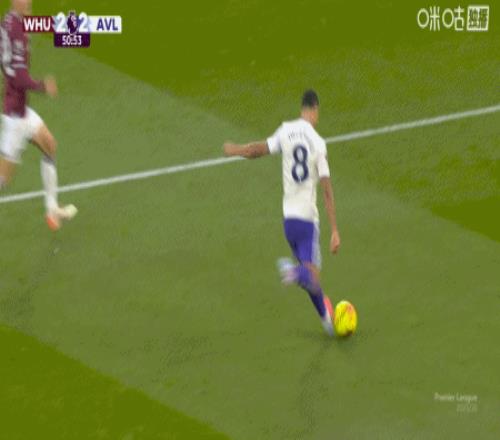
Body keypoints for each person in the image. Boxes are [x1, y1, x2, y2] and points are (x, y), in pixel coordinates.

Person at [223, 89, 341, 335]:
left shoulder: (286, 130)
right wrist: (335, 230)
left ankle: (327, 323)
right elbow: (327, 190)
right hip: (308, 221)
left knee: (311, 279)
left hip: (289, 222)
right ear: (315, 109)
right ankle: (293, 271)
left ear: (302, 108)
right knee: (309, 274)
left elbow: (257, 150)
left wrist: (236, 150)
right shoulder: (318, 143)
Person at [0, 0, 77, 230]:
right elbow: (19, 78)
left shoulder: (10, 22)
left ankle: (52, 210)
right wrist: (43, 86)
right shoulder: (16, 29)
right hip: (15, 117)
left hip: (22, 110)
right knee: (3, 180)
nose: (29, 1)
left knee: (49, 145)